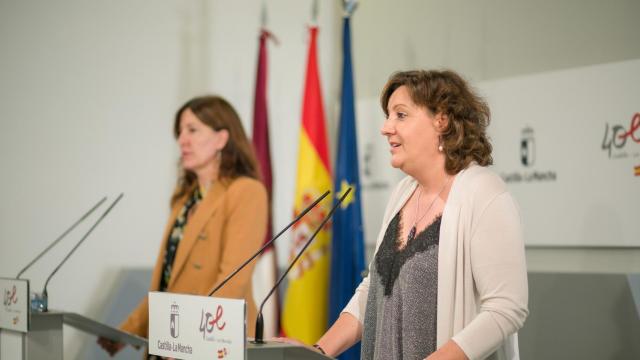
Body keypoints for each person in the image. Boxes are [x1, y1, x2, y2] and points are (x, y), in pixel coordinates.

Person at [277, 70, 528, 360]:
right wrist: (317, 352)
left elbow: (506, 308)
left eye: (400, 115)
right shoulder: (403, 194)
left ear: (441, 120)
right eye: (387, 116)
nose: (386, 127)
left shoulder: (485, 194)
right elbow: (374, 290)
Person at [98, 95, 268, 358]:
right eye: (180, 132)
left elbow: (232, 282)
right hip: (171, 343)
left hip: (212, 344)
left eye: (192, 130)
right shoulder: (185, 200)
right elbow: (167, 285)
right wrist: (126, 331)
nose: (182, 140)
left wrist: (191, 339)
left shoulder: (246, 191)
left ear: (222, 138)